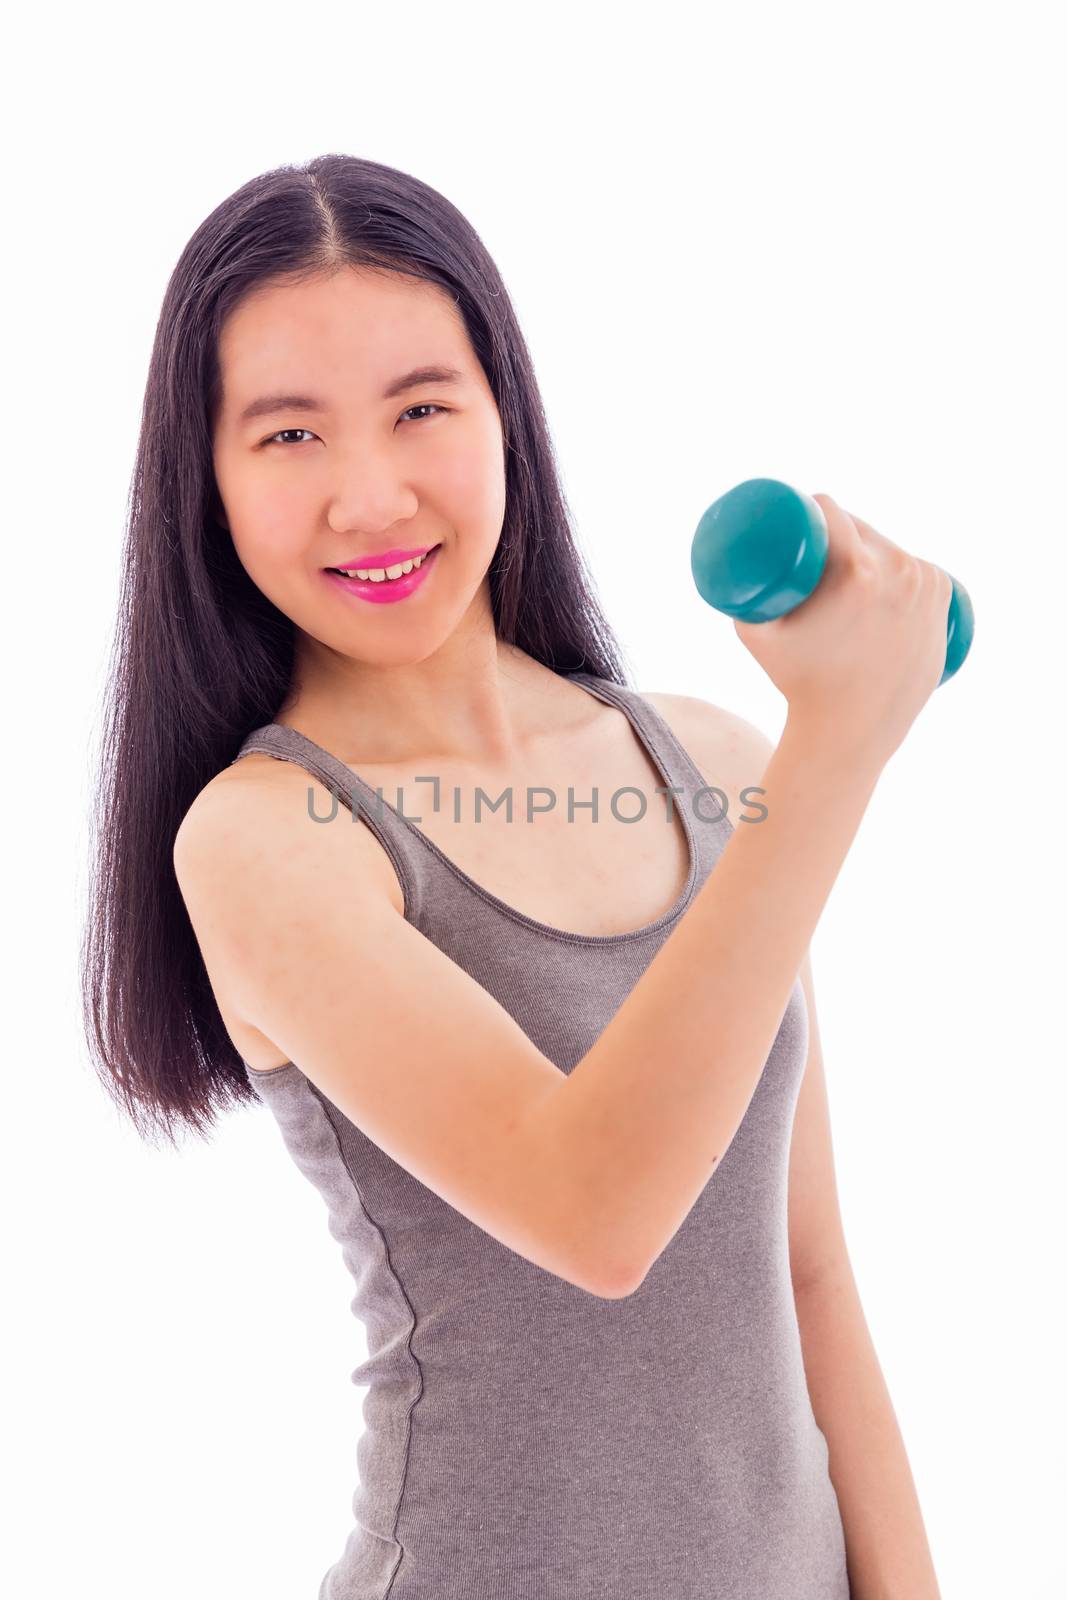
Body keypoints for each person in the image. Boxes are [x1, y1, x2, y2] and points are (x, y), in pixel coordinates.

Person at [81, 153, 948, 1599]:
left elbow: (807, 1279)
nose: (371, 496)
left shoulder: (714, 758)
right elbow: (596, 1212)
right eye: (288, 436)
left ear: (505, 419)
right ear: (209, 486)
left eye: (423, 408)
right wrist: (838, 754)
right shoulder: (266, 842)